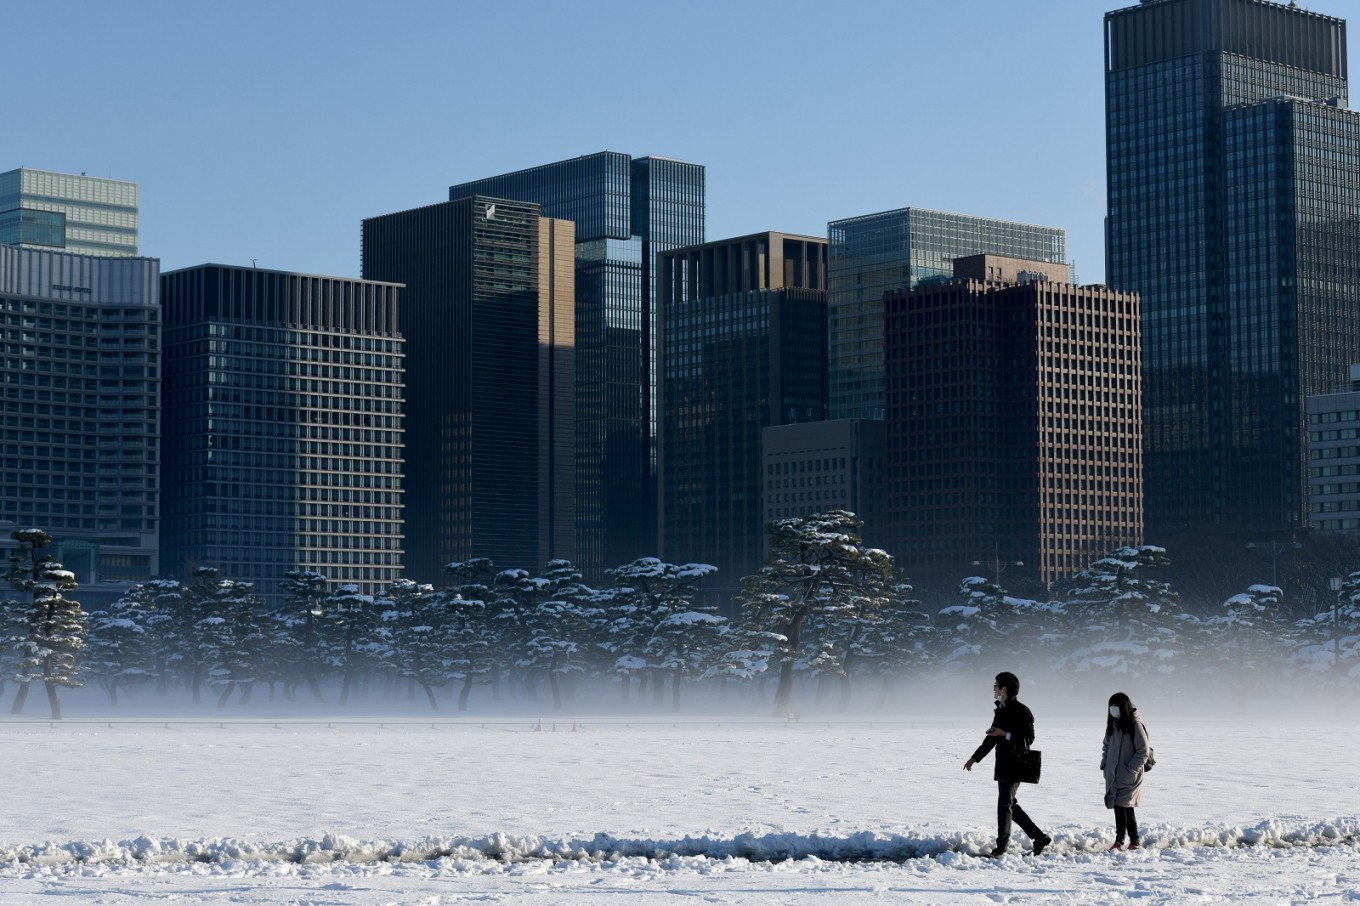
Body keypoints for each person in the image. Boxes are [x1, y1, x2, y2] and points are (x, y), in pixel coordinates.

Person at [964, 671, 1052, 857]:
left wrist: (1005, 734)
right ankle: (1039, 837)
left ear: (1003, 689)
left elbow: (1029, 739)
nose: (993, 688)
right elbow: (991, 739)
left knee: (1005, 804)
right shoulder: (1001, 709)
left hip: (1016, 764)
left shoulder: (1022, 711)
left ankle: (1001, 847)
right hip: (1003, 764)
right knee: (1010, 805)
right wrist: (974, 758)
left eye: (995, 685)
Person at [1101, 691, 1149, 851]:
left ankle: (1120, 841)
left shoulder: (1134, 725)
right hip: (1114, 773)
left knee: (1121, 806)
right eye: (1111, 706)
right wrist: (1105, 764)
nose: (1113, 710)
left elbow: (1143, 751)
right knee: (1124, 807)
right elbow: (1106, 746)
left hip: (1129, 776)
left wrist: (1130, 769)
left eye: (1116, 706)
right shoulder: (1113, 724)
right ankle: (1134, 841)